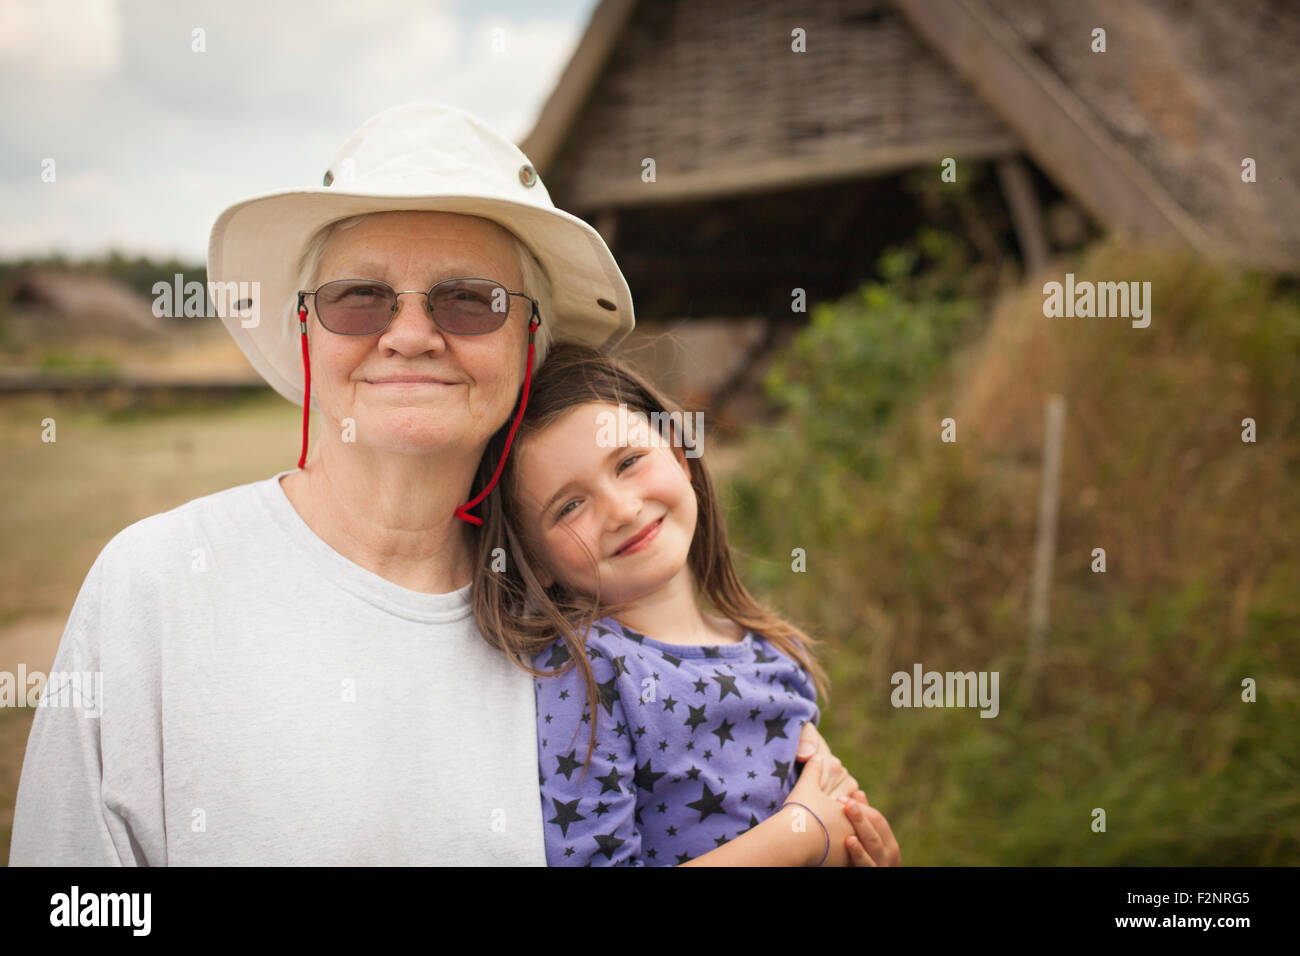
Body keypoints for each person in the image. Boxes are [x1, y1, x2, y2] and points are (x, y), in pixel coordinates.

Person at [7, 102, 869, 865]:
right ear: (307, 332)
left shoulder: (577, 641)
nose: (411, 333)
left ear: (528, 344)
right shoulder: (154, 587)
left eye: (468, 300)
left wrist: (828, 830)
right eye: (359, 298)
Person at [471, 344, 902, 866]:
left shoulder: (775, 656)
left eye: (629, 462)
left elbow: (838, 819)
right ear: (534, 560)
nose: (623, 510)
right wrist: (801, 832)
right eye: (570, 506)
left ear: (679, 456)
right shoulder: (586, 673)